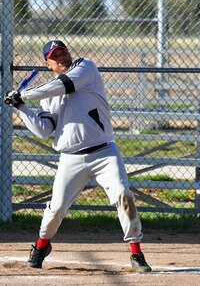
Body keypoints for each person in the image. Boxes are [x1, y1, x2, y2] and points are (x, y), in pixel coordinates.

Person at [4, 40, 152, 273]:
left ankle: (136, 252)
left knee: (124, 195)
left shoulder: (86, 68)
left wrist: (23, 94)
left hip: (104, 152)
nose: (61, 57)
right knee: (56, 208)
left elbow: (64, 85)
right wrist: (21, 107)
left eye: (63, 52)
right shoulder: (48, 93)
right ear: (48, 63)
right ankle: (41, 246)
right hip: (70, 157)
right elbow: (44, 129)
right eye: (55, 55)